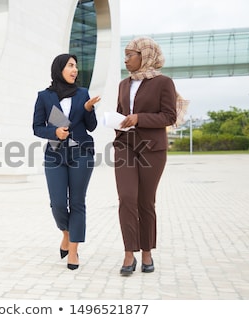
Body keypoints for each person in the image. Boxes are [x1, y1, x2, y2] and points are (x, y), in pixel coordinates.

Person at [113, 37, 177, 276]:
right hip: (125, 147)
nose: (126, 59)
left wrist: (140, 118)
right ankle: (129, 253)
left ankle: (147, 251)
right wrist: (116, 121)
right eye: (126, 55)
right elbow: (121, 112)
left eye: (130, 54)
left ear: (145, 56)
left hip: (153, 149)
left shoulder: (163, 83)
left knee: (145, 201)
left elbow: (169, 116)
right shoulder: (123, 84)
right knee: (127, 198)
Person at [33, 53, 100, 270]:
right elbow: (37, 127)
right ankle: (66, 233)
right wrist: (54, 131)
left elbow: (91, 126)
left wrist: (89, 109)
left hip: (82, 152)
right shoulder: (45, 96)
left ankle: (73, 251)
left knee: (78, 202)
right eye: (70, 66)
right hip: (55, 154)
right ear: (59, 68)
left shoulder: (83, 94)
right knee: (58, 203)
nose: (75, 70)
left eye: (76, 66)